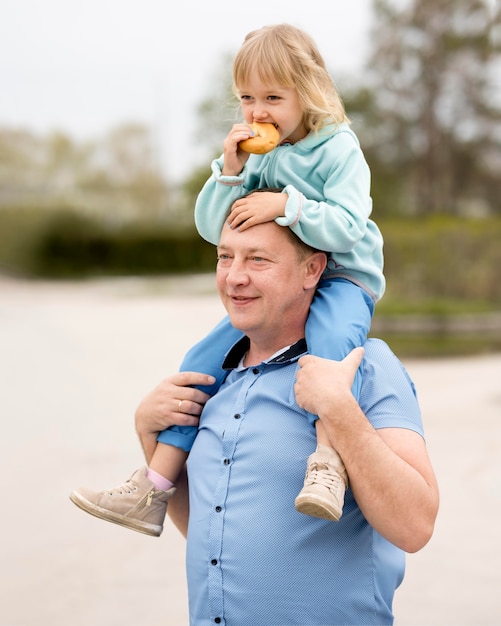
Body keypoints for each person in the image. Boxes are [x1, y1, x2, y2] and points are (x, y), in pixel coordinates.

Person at [69, 22, 385, 533]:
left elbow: (348, 228)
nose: (257, 111)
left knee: (328, 354)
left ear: (309, 93)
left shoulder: (338, 149)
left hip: (343, 278)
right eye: (246, 97)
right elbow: (210, 225)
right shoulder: (257, 153)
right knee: (199, 362)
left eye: (272, 97)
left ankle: (328, 465)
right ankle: (154, 486)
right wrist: (232, 171)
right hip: (278, 288)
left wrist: (287, 204)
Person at [135, 217, 439, 625]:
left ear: (312, 270)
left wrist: (339, 410)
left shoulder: (368, 366)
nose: (234, 277)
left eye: (258, 260)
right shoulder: (213, 383)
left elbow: (414, 526)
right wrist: (149, 434)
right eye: (225, 257)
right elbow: (212, 537)